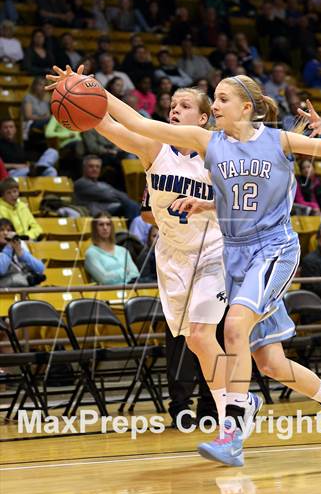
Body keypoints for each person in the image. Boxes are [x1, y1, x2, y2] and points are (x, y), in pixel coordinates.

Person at [54, 66, 321, 465]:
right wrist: (93, 89)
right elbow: (137, 121)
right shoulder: (209, 143)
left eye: (222, 99)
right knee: (271, 363)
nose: (216, 104)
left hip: (272, 249)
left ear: (247, 107)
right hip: (233, 255)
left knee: (232, 327)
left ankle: (233, 428)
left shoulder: (277, 140)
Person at [47, 68, 228, 431]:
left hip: (213, 253)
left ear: (204, 118)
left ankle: (225, 408)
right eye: (172, 104)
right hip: (173, 256)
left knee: (208, 333)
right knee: (186, 339)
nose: (174, 109)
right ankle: (194, 405)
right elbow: (113, 128)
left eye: (185, 105)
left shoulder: (219, 154)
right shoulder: (154, 148)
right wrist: (84, 94)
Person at [74, 155, 140, 224]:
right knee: (131, 205)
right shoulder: (81, 183)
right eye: (91, 166)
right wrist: (121, 198)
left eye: (97, 167)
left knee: (134, 205)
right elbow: (107, 195)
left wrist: (120, 197)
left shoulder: (103, 184)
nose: (95, 169)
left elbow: (117, 195)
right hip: (98, 214)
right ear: (84, 168)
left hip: (113, 209)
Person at [85, 212, 139, 284]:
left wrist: (113, 274)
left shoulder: (123, 251)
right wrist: (125, 272)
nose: (105, 228)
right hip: (108, 293)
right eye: (101, 225)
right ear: (95, 228)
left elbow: (135, 274)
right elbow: (104, 278)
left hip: (129, 289)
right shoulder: (91, 253)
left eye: (108, 224)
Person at [0, 217, 45, 288]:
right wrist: (9, 248)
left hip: (25, 288)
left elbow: (40, 268)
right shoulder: (10, 246)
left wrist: (22, 254)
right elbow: (1, 269)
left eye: (8, 230)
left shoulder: (17, 244)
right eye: (1, 230)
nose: (5, 233)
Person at [21, 77, 51, 145]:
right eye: (40, 85)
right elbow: (28, 116)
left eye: (44, 85)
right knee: (52, 120)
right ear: (34, 86)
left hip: (44, 123)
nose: (43, 87)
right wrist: (43, 118)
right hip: (31, 124)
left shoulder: (45, 99)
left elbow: (47, 115)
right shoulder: (29, 98)